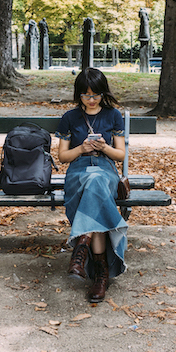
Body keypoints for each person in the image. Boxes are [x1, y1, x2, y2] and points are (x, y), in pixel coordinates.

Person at [55, 67, 127, 303]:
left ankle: (81, 246)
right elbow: (63, 157)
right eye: (86, 95)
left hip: (106, 169)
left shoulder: (113, 115)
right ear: (79, 95)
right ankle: (101, 275)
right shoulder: (69, 118)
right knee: (93, 188)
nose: (92, 100)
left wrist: (103, 147)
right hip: (78, 170)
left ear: (103, 93)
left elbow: (120, 155)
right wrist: (82, 148)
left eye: (96, 95)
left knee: (96, 182)